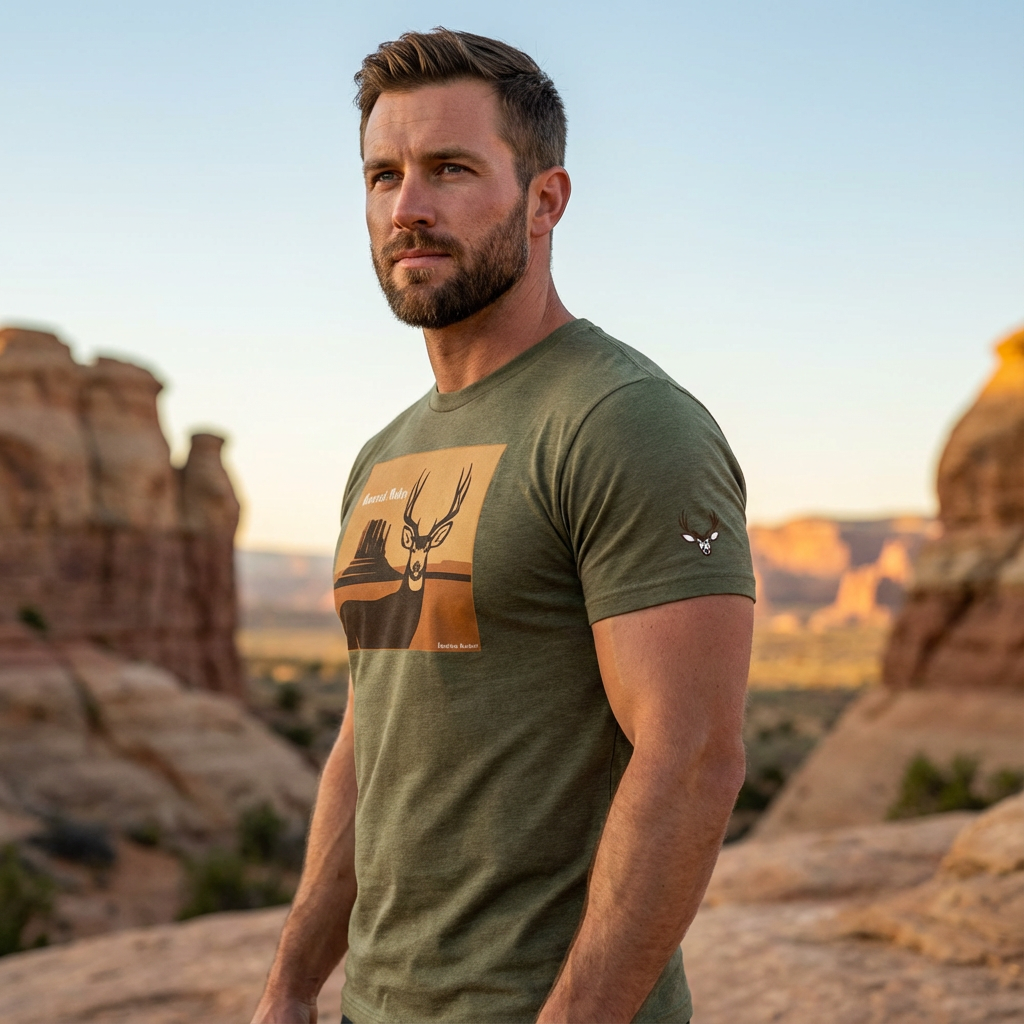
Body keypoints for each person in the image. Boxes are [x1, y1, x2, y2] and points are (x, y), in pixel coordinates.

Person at [253, 28, 755, 1024]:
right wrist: (291, 983)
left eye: (450, 169)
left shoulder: (624, 421)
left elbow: (692, 756)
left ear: (544, 200)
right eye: (382, 175)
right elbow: (373, 733)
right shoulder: (382, 456)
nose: (408, 209)